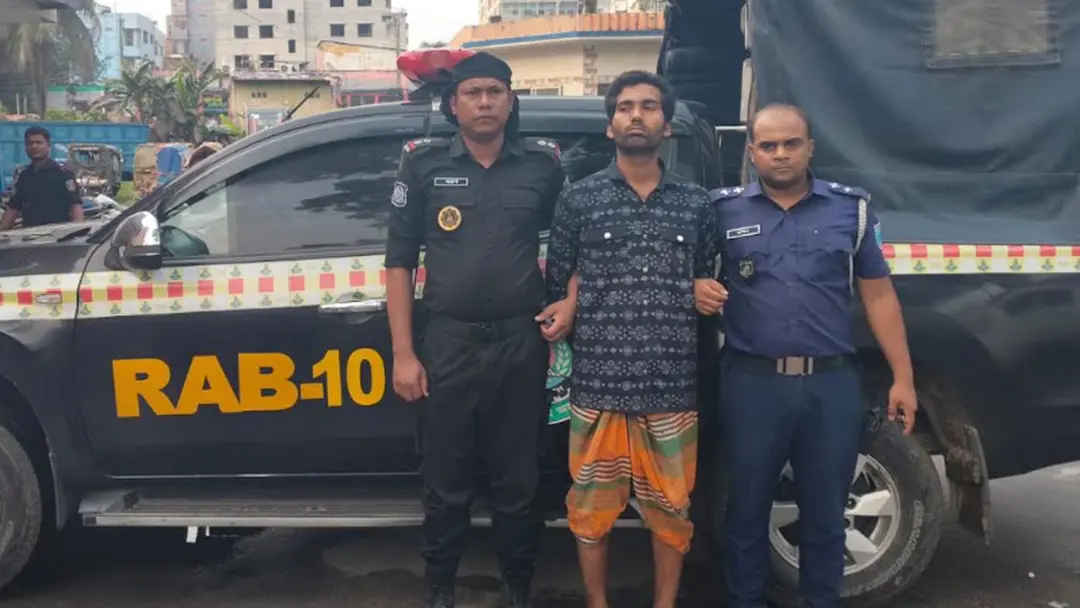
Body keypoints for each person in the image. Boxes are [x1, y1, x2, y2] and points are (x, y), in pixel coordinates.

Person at [696, 103, 917, 608]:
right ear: (752, 152)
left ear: (809, 148)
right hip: (752, 386)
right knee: (744, 514)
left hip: (829, 386)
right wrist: (697, 288)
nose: (780, 154)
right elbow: (694, 276)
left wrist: (903, 377)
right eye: (768, 145)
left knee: (825, 517)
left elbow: (879, 296)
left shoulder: (851, 211)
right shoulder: (721, 212)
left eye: (791, 143)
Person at [384, 51, 565, 608]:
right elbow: (398, 262)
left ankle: (518, 587)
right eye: (472, 93)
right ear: (453, 104)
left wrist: (571, 303)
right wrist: (403, 354)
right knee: (445, 483)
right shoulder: (423, 165)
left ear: (511, 102)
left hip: (520, 345)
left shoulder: (543, 166)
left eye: (494, 92)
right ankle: (441, 589)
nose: (484, 102)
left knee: (519, 482)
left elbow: (573, 245)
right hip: (448, 346)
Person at [540, 70, 718, 608]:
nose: (636, 115)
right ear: (610, 126)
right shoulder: (580, 199)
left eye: (649, 106)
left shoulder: (696, 203)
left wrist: (701, 288)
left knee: (672, 510)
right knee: (590, 511)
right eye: (624, 107)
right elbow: (560, 280)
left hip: (671, 386)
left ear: (667, 125)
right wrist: (572, 301)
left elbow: (704, 275)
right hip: (598, 385)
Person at [1, 126, 84, 230]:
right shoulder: (24, 176)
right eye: (30, 143)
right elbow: (13, 207)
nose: (34, 146)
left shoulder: (63, 173)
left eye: (39, 143)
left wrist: (79, 232)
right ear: (25, 147)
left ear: (48, 146)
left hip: (57, 234)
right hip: (30, 235)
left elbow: (75, 205)